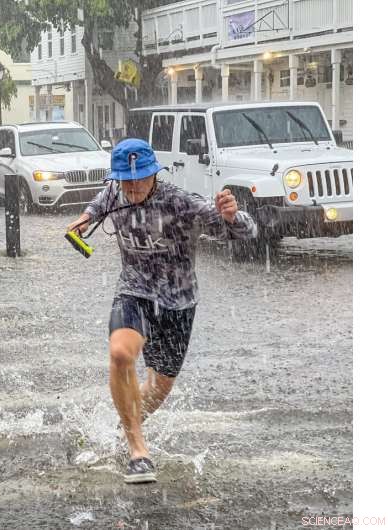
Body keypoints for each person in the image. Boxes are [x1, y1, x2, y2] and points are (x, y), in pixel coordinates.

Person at [66, 138, 257, 484]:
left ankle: (120, 426)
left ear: (155, 173)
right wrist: (84, 219)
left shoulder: (180, 203)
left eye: (141, 178)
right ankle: (138, 450)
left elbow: (243, 231)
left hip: (178, 302)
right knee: (121, 354)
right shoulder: (115, 191)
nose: (134, 186)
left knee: (156, 390)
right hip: (134, 291)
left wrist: (234, 215)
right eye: (126, 179)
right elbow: (100, 201)